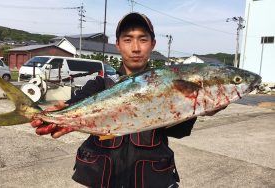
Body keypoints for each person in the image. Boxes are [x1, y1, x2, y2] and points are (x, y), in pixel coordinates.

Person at [31, 12, 197, 188]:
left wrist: (197, 105)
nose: (135, 48)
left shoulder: (166, 87)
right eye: (127, 39)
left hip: (151, 179)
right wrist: (60, 113)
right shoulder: (101, 84)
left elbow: (179, 131)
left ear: (152, 44)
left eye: (142, 39)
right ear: (117, 45)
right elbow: (75, 103)